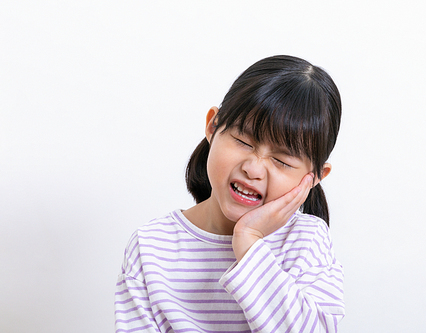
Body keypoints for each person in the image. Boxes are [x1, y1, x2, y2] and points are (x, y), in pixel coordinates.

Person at [115, 55, 345, 332]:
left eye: (282, 161)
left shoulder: (307, 241)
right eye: (242, 141)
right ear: (213, 126)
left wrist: (248, 243)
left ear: (315, 178)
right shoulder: (150, 246)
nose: (254, 169)